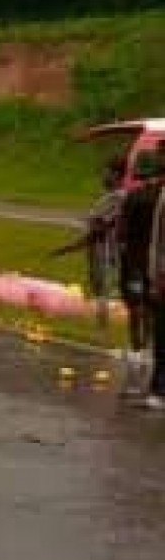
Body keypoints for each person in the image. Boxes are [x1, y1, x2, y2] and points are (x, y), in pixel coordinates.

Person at [50, 156, 126, 332]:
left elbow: (98, 230)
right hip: (99, 251)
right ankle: (103, 330)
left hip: (105, 252)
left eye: (106, 172)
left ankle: (103, 332)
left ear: (116, 174)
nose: (103, 176)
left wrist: (69, 247)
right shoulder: (109, 197)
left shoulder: (116, 198)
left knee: (103, 293)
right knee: (100, 290)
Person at [116, 149, 165, 406]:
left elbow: (122, 233)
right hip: (154, 269)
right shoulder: (158, 196)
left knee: (138, 312)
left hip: (137, 265)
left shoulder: (134, 197)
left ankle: (138, 361)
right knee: (154, 317)